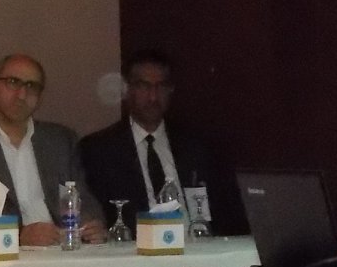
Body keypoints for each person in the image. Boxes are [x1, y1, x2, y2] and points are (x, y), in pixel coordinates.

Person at [0, 54, 105, 246]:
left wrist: (92, 224)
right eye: (12, 82)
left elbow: (82, 196)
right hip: (5, 251)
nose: (22, 95)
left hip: (63, 246)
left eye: (31, 86)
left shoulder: (61, 140)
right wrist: (17, 235)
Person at [78, 47, 228, 232]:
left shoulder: (196, 145)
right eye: (144, 86)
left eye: (161, 86)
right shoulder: (99, 150)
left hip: (195, 243)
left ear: (171, 89)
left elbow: (220, 210)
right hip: (134, 245)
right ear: (127, 89)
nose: (153, 97)